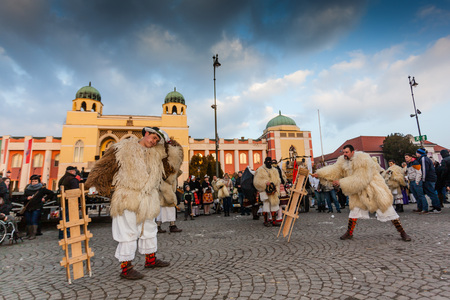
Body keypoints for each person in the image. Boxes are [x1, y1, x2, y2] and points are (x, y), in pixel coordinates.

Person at [85, 127, 173, 280]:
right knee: (127, 231)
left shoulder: (157, 154)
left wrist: (168, 145)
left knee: (149, 228)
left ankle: (150, 259)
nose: (154, 142)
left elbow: (170, 168)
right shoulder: (123, 148)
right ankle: (126, 268)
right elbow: (104, 166)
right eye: (153, 138)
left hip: (148, 197)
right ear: (146, 133)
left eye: (157, 141)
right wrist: (93, 184)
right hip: (128, 195)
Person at [312, 144, 411, 242]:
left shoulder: (363, 160)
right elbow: (335, 169)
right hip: (358, 191)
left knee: (388, 209)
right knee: (354, 211)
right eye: (343, 152)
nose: (344, 154)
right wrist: (320, 174)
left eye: (346, 152)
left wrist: (341, 182)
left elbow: (361, 179)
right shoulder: (342, 160)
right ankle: (349, 233)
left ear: (352, 152)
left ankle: (402, 232)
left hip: (373, 188)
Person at [156, 137, 184, 234]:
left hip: (170, 190)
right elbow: (164, 181)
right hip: (165, 193)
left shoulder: (172, 169)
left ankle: (172, 225)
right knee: (161, 211)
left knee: (170, 210)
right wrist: (170, 196)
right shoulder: (163, 169)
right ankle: (158, 226)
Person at [22, 175, 54, 240]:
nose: (34, 182)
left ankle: (33, 234)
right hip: (28, 207)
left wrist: (45, 198)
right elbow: (22, 198)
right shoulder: (28, 189)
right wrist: (27, 198)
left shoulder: (41, 189)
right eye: (32, 181)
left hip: (37, 207)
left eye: (35, 181)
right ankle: (28, 234)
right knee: (28, 221)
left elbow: (51, 193)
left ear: (38, 182)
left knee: (34, 220)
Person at [253, 157, 282, 227]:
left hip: (273, 191)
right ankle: (265, 221)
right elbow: (257, 181)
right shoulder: (260, 170)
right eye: (268, 161)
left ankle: (274, 221)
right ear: (265, 162)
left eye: (270, 161)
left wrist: (273, 183)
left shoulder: (275, 170)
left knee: (274, 206)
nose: (269, 163)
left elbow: (278, 180)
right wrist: (265, 183)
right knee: (266, 206)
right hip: (264, 191)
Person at [416, 148, 441, 213]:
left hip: (428, 179)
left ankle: (437, 208)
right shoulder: (424, 158)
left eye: (417, 153)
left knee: (432, 193)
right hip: (430, 178)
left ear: (419, 153)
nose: (416, 154)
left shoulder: (423, 159)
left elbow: (424, 170)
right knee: (432, 193)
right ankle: (436, 206)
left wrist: (423, 179)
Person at [58, 166, 80, 239]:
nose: (75, 172)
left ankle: (62, 234)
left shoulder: (62, 179)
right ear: (70, 171)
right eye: (74, 171)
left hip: (62, 201)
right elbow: (75, 191)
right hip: (70, 201)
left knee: (63, 218)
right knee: (68, 218)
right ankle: (67, 234)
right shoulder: (72, 179)